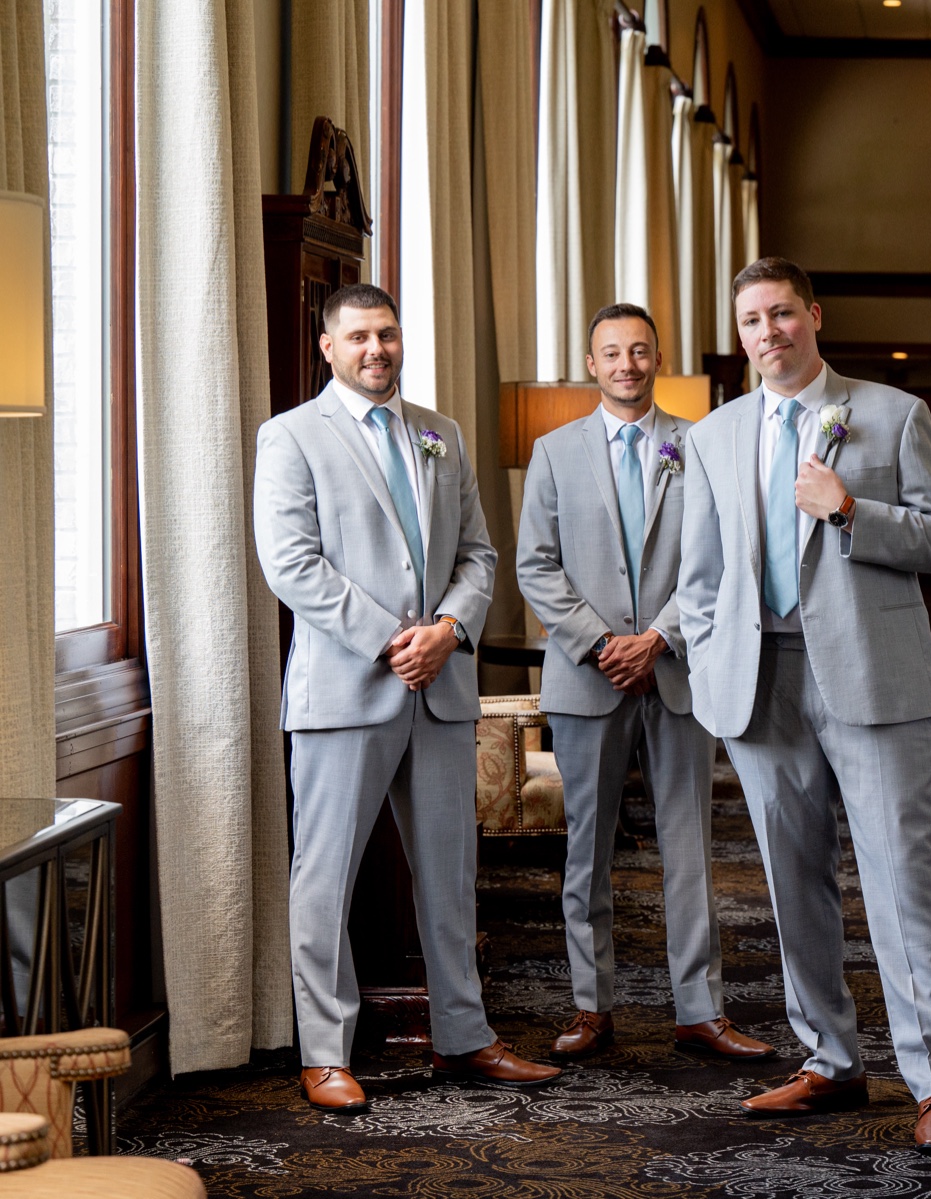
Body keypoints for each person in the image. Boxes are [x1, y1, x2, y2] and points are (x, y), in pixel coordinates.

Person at [676, 256, 931, 1152]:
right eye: (751, 323)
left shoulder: (892, 413)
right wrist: (711, 662)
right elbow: (700, 576)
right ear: (740, 338)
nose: (768, 334)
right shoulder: (715, 435)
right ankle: (828, 1060)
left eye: (781, 315)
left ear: (814, 315)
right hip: (757, 682)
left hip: (870, 676)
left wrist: (851, 511)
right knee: (790, 881)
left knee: (899, 878)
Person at [254, 283, 560, 1112]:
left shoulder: (441, 433)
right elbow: (291, 563)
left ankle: (464, 1035)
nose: (376, 350)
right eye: (358, 338)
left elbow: (478, 552)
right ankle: (325, 1051)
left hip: (441, 686)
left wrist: (451, 631)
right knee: (325, 878)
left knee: (451, 876)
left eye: (386, 334)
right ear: (328, 347)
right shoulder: (289, 437)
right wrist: (396, 638)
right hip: (349, 690)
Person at [516, 302, 774, 1064]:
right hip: (587, 677)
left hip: (678, 670)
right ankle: (591, 1007)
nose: (627, 364)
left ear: (656, 359)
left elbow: (722, 560)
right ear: (590, 364)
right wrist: (601, 643)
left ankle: (700, 1008)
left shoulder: (702, 446)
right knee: (586, 851)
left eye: (640, 350)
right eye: (612, 352)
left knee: (688, 847)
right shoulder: (553, 451)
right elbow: (536, 564)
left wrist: (659, 635)